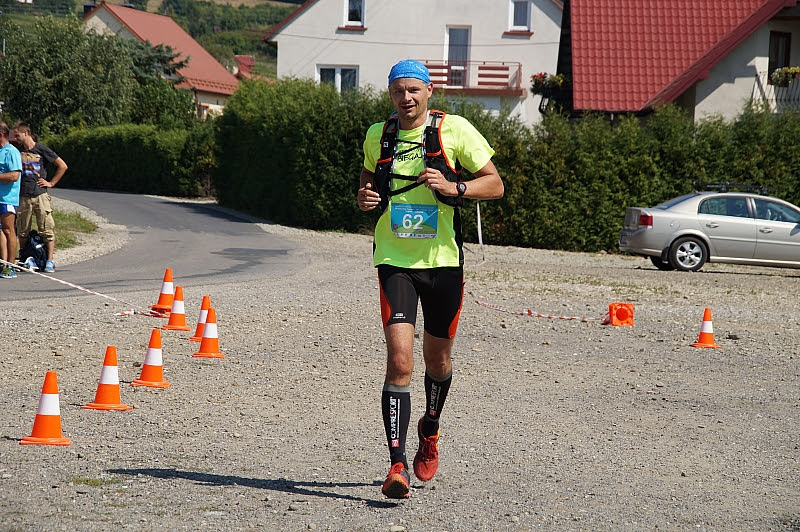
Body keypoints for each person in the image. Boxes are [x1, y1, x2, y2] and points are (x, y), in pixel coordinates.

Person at [357, 59, 504, 499]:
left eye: (413, 90)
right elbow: (368, 173)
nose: (406, 98)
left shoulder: (453, 130)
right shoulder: (378, 134)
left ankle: (431, 426)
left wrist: (455, 187)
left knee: (437, 362)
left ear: (428, 91)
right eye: (398, 91)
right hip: (395, 261)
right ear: (390, 94)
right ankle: (397, 463)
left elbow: (495, 184)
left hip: (443, 264)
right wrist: (365, 195)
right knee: (400, 360)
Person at [11, 122, 68, 273]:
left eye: (17, 135)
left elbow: (62, 165)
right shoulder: (17, 151)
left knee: (46, 228)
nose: (15, 138)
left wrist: (51, 183)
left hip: (40, 194)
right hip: (23, 195)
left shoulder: (41, 149)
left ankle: (50, 260)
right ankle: (24, 258)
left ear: (25, 133)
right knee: (22, 230)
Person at [0, 121, 22, 279]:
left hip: (7, 198)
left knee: (8, 230)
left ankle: (11, 265)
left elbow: (14, 175)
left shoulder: (12, 152)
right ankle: (3, 263)